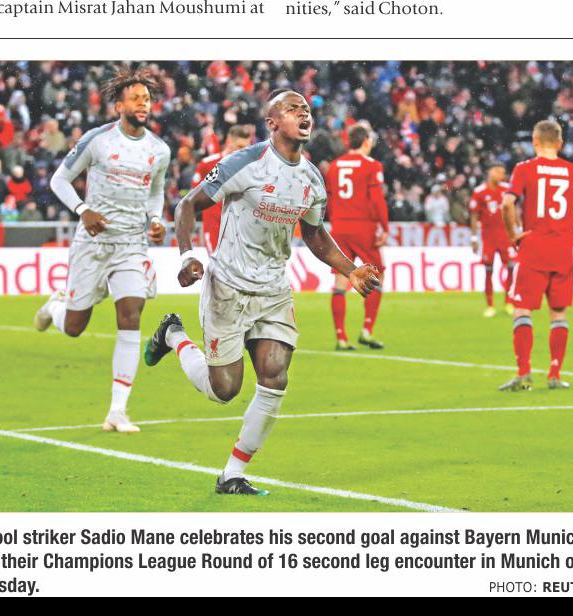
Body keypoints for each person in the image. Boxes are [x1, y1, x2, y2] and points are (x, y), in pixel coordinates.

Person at [144, 90, 380, 496]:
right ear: (272, 123)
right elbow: (187, 205)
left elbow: (314, 234)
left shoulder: (311, 177)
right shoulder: (245, 162)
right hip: (228, 286)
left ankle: (232, 474)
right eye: (292, 109)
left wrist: (350, 269)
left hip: (272, 290)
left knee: (275, 378)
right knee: (225, 389)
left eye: (306, 109)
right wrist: (187, 257)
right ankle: (174, 335)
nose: (303, 114)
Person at [34, 66, 170, 433]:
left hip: (131, 244)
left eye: (147, 99)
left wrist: (155, 218)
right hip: (93, 243)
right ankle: (55, 306)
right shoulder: (97, 141)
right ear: (119, 105)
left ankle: (117, 411)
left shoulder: (159, 150)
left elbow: (156, 190)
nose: (143, 104)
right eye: (135, 98)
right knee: (75, 327)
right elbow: (59, 180)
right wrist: (83, 209)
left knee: (131, 315)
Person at [499, 120, 573, 391]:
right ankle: (555, 374)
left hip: (533, 250)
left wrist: (513, 234)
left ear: (535, 142)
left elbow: (507, 203)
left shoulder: (525, 169)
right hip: (562, 252)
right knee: (559, 314)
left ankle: (524, 373)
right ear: (560, 143)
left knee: (522, 310)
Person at [325, 124, 389, 350]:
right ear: (366, 142)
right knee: (377, 275)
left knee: (341, 281)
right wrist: (384, 227)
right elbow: (377, 199)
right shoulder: (372, 165)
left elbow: (329, 199)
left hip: (340, 227)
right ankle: (366, 330)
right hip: (363, 226)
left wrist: (336, 221)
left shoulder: (334, 166)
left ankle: (341, 337)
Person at [191, 125, 252, 254]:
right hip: (214, 227)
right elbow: (193, 196)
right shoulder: (208, 164)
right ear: (229, 142)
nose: (244, 151)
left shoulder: (251, 168)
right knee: (216, 263)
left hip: (241, 229)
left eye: (247, 148)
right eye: (240, 147)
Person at [469, 162, 517, 318]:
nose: (501, 175)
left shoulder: (507, 189)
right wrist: (474, 237)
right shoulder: (479, 191)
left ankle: (509, 303)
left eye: (503, 172)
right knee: (488, 270)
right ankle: (490, 305)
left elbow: (513, 210)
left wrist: (517, 229)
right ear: (490, 172)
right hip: (488, 237)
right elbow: (474, 215)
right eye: (498, 171)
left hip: (506, 235)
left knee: (511, 267)